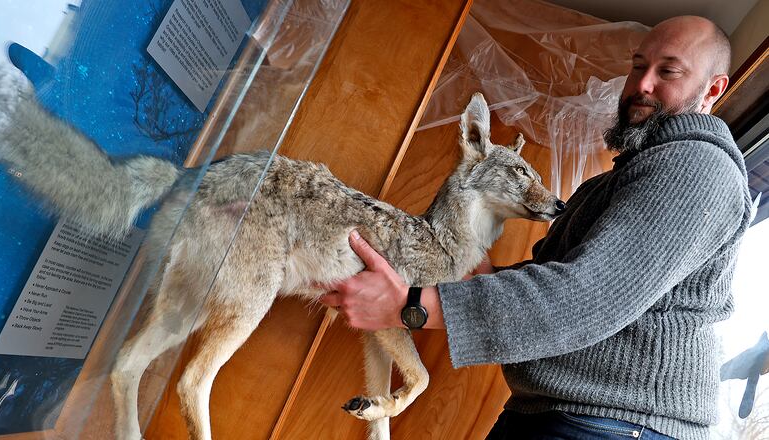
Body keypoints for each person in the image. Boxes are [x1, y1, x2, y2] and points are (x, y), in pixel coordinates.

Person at [320, 15, 753, 439]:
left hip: (612, 424)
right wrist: (481, 275)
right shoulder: (621, 178)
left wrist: (409, 306)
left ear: (713, 89)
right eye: (638, 66)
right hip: (565, 414)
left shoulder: (697, 168)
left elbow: (584, 297)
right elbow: (563, 280)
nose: (642, 84)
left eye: (668, 71)